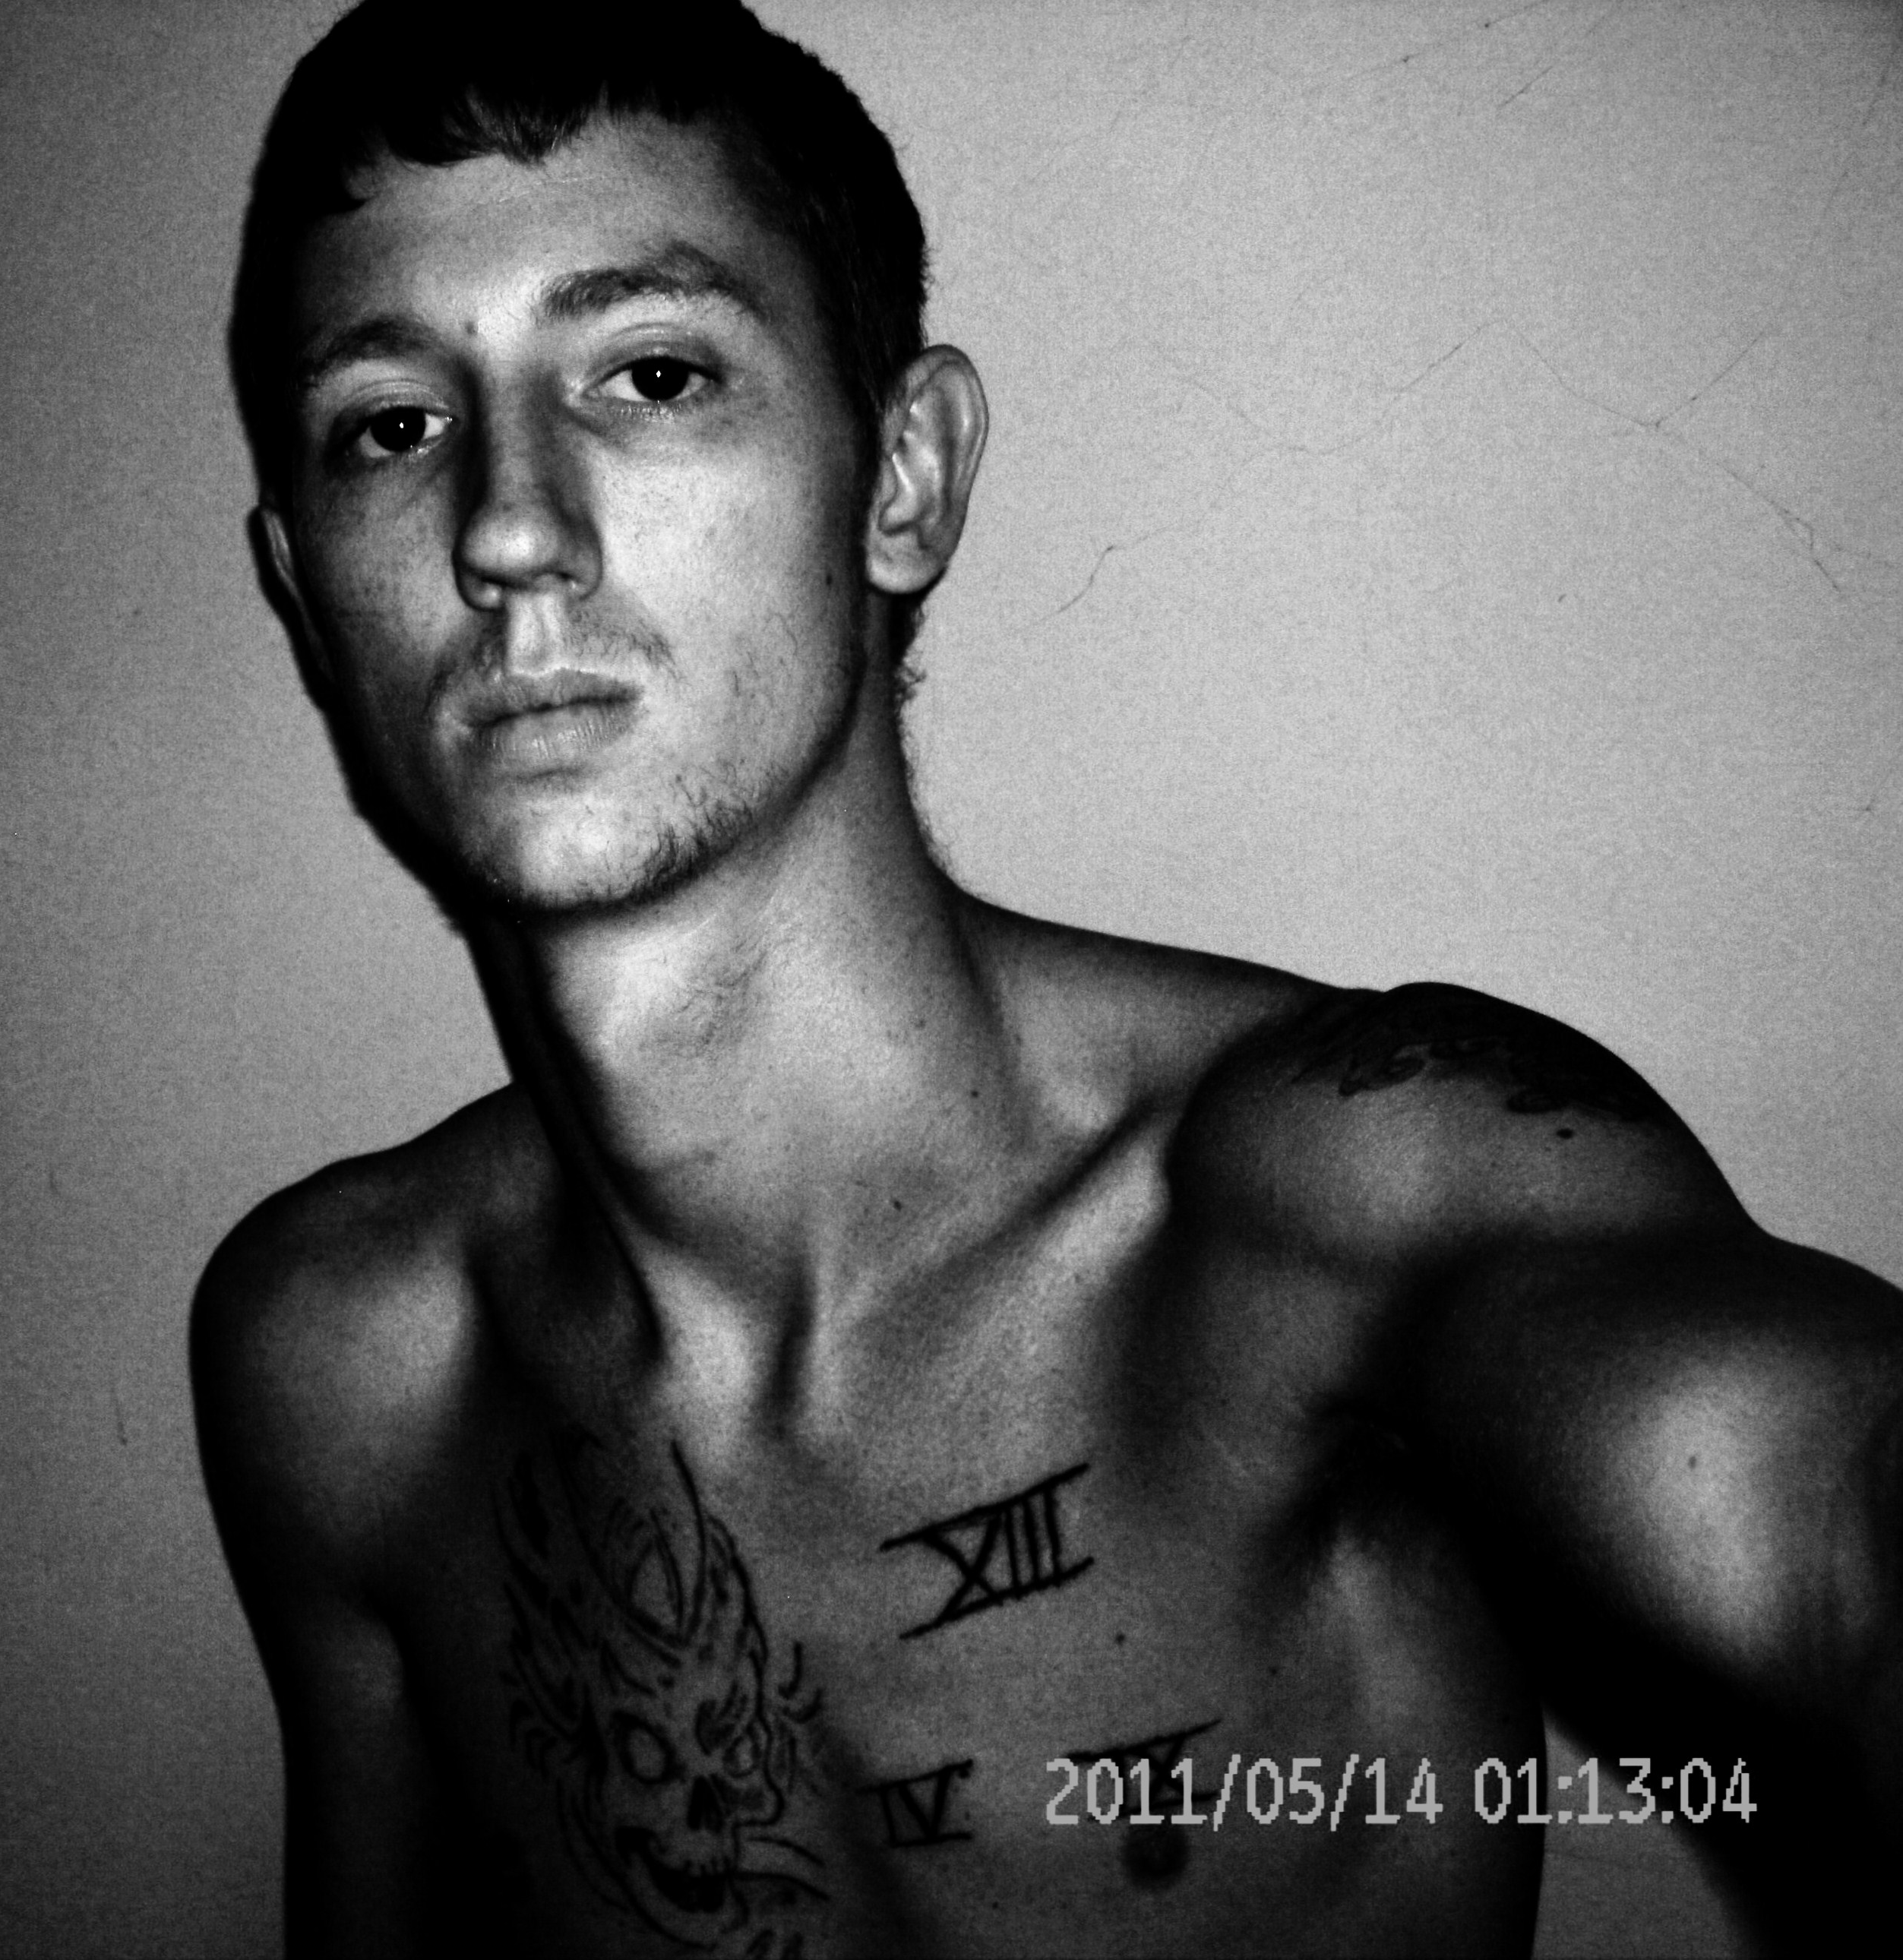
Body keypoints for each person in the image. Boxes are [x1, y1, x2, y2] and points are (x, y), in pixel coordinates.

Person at [191, 4, 1901, 1952]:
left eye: (652, 374)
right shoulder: (345, 1367)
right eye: (390, 426)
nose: (505, 528)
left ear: (903, 477)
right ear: (305, 587)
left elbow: (1827, 1525)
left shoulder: (1341, 1195)